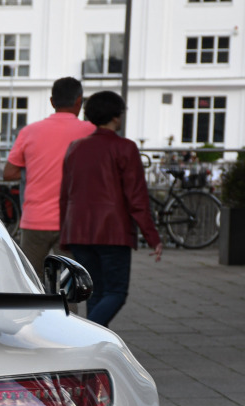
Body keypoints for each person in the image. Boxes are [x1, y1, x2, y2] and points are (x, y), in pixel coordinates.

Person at [59, 91, 162, 328]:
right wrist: (152, 236)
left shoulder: (75, 148)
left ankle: (92, 348)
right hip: (113, 231)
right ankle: (83, 338)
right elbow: (136, 197)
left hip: (79, 230)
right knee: (116, 292)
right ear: (117, 117)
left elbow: (65, 195)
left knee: (96, 292)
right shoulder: (125, 148)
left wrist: (66, 233)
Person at [2, 76, 94, 274]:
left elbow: (9, 173)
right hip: (73, 223)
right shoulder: (91, 132)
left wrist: (35, 167)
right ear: (80, 101)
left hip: (34, 220)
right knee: (71, 287)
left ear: (52, 102)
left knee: (32, 286)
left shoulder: (29, 132)